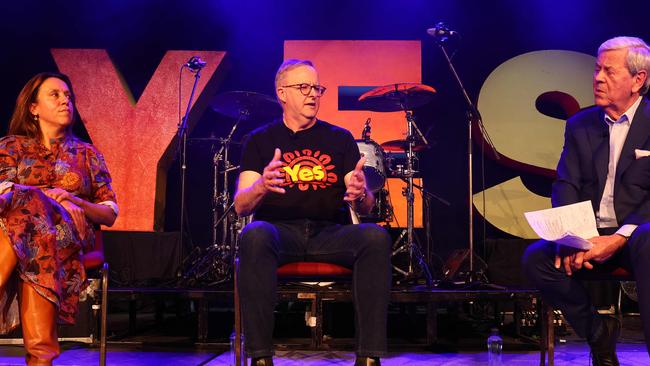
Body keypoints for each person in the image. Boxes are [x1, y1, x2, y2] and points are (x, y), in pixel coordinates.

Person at [234, 59, 392, 366]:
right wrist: (262, 186)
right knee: (253, 234)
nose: (313, 94)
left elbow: (364, 203)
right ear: (282, 93)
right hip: (279, 233)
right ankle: (261, 358)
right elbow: (242, 205)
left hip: (330, 234)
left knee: (374, 236)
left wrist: (361, 193)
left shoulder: (339, 138)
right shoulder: (260, 140)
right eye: (303, 87)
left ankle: (369, 358)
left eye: (317, 88)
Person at [523, 36, 650, 365]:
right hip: (589, 234)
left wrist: (619, 238)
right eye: (596, 70)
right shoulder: (580, 124)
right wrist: (572, 237)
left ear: (638, 80)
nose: (598, 78)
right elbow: (566, 183)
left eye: (609, 71)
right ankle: (598, 332)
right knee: (536, 258)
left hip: (636, 234)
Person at [0, 72, 118, 365]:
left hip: (69, 236)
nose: (65, 100)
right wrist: (46, 196)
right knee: (33, 219)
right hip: (20, 235)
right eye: (55, 94)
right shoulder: (11, 146)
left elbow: (110, 213)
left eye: (68, 96)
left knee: (38, 228)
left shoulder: (87, 154)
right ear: (33, 108)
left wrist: (75, 201)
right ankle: (41, 358)